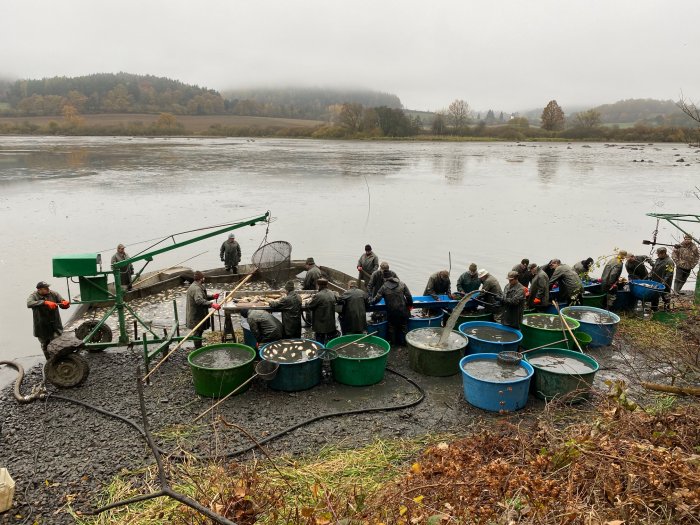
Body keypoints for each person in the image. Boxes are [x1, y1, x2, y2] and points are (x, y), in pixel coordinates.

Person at [27, 281, 70, 359]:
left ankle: (61, 359)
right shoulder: (33, 296)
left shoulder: (54, 294)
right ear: (39, 290)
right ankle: (49, 362)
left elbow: (62, 302)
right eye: (45, 288)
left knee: (58, 342)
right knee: (45, 345)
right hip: (41, 326)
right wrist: (45, 303)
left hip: (55, 325)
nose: (48, 289)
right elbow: (29, 303)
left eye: (48, 287)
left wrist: (65, 304)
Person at [371, 270, 413, 345]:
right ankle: (405, 344)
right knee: (404, 326)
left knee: (392, 327)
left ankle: (393, 344)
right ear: (392, 277)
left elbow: (377, 299)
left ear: (384, 278)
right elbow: (409, 296)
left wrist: (370, 302)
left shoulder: (384, 287)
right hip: (403, 311)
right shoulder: (402, 284)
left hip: (391, 312)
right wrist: (410, 305)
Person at [186, 271, 221, 349]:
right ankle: (198, 349)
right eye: (203, 277)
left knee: (199, 331)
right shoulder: (196, 288)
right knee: (197, 332)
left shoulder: (195, 285)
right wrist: (212, 304)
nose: (204, 279)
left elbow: (202, 297)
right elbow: (199, 300)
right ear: (201, 279)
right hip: (196, 315)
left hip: (196, 314)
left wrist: (212, 296)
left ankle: (199, 346)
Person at [307, 278, 338, 344]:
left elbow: (310, 306)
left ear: (319, 286)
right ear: (327, 285)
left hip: (321, 325)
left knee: (320, 341)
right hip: (330, 324)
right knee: (329, 341)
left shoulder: (318, 295)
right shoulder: (332, 293)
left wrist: (309, 301)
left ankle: (321, 350)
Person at [649, 247, 675, 311]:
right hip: (655, 280)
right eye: (657, 254)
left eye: (658, 254)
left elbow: (670, 272)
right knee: (654, 295)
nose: (657, 255)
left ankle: (667, 308)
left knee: (665, 295)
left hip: (665, 282)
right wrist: (650, 275)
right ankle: (654, 308)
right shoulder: (658, 259)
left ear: (663, 253)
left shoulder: (669, 261)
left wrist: (664, 281)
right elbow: (654, 268)